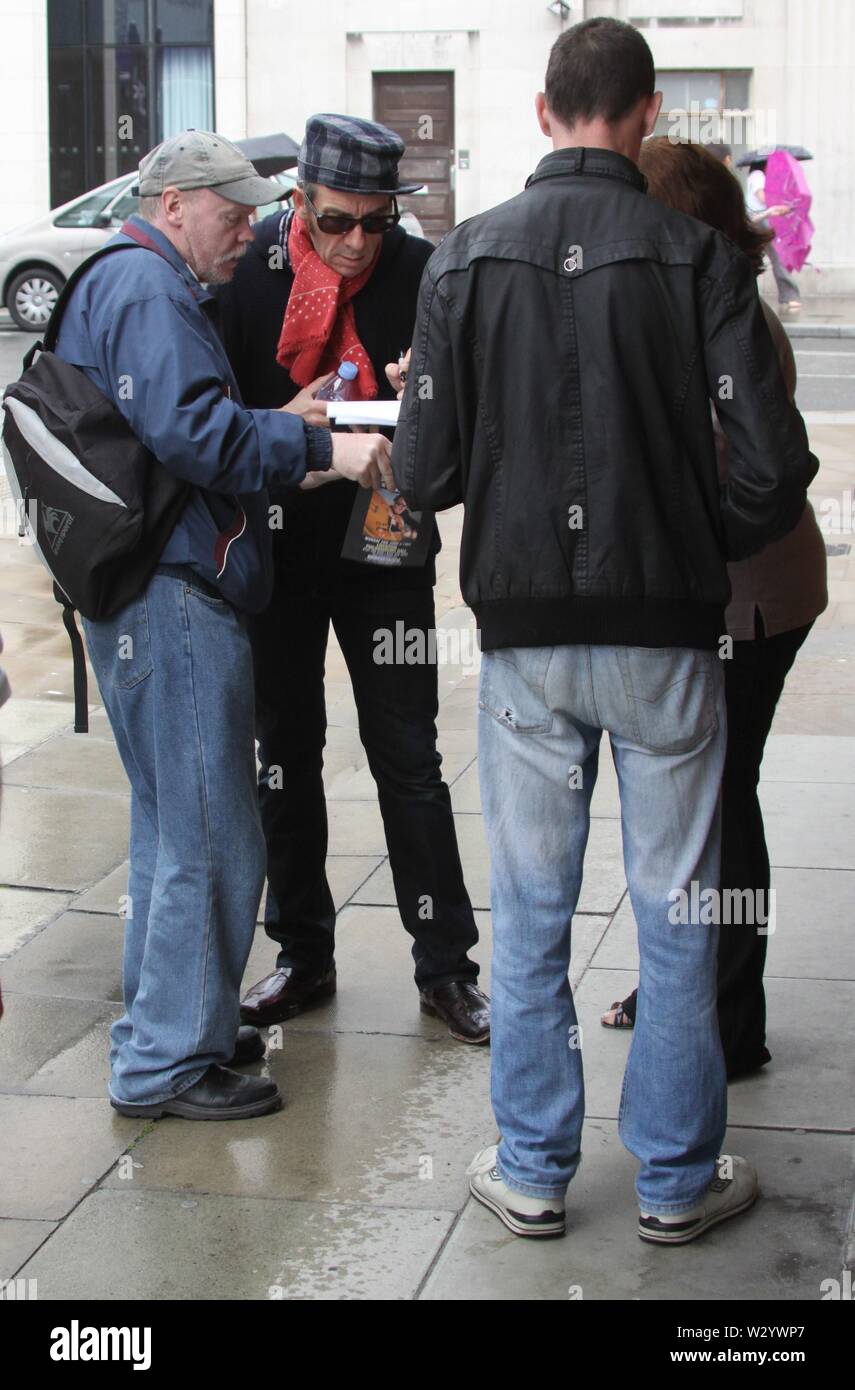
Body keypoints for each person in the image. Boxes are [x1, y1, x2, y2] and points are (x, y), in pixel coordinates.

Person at [391, 17, 818, 1243]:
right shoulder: (696, 255)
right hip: (666, 630)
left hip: (524, 634)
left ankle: (531, 1167)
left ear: (541, 112)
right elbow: (774, 468)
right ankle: (676, 1183)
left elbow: (420, 467)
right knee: (678, 909)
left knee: (529, 913)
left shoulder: (464, 258)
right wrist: (701, 533)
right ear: (646, 115)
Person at [55, 130, 391, 1120]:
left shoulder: (127, 282)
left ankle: (177, 1019)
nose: (250, 229)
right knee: (210, 831)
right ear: (171, 206)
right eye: (231, 210)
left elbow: (174, 428)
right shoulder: (150, 291)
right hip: (174, 593)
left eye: (254, 211)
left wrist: (281, 414)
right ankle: (166, 1061)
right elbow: (196, 433)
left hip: (145, 586)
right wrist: (317, 439)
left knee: (173, 825)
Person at [216, 115, 490, 1045]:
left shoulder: (423, 273)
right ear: (299, 203)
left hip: (386, 546)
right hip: (280, 547)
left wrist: (432, 389)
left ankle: (445, 966)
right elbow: (210, 415)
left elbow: (469, 419)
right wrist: (285, 424)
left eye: (376, 222)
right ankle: (302, 954)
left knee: (407, 757)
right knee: (284, 755)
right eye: (338, 221)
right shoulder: (250, 270)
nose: (359, 241)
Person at [600, 139, 827, 1077]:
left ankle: (728, 1024)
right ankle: (691, 991)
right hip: (747, 588)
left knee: (719, 805)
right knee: (705, 801)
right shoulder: (709, 292)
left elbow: (743, 468)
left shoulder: (716, 307)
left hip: (747, 598)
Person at [746, 160, 801, 311]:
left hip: (760, 219)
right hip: (762, 221)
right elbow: (762, 197)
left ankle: (788, 295)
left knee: (760, 257)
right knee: (778, 257)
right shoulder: (757, 175)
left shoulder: (755, 176)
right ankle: (790, 296)